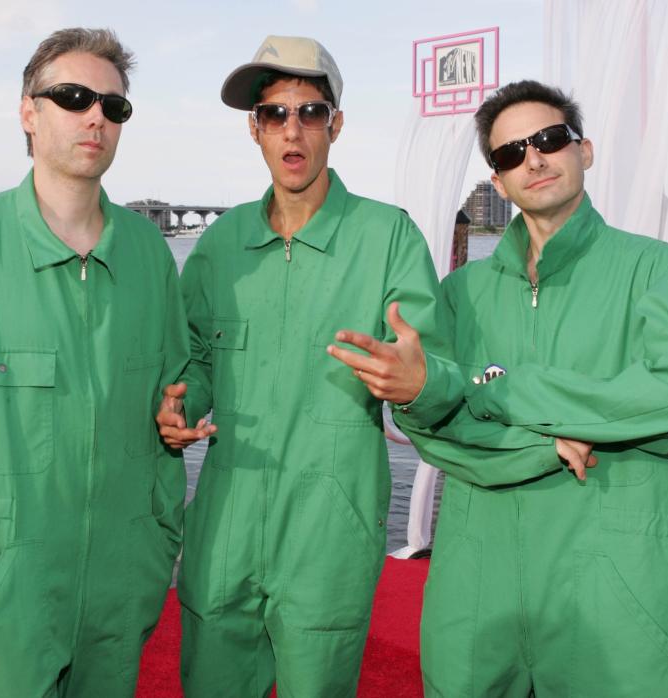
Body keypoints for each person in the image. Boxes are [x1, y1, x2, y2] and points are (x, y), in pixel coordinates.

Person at [328, 79, 668, 696]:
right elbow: (430, 425)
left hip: (611, 590)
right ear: (498, 180)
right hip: (477, 587)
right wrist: (541, 444)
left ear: (583, 150)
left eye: (549, 140)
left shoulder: (657, 269)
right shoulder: (458, 294)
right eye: (510, 153)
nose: (533, 159)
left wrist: (506, 391)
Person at [0, 27, 188, 697]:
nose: (95, 116)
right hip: (2, 604)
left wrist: (155, 550)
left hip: (118, 601)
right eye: (72, 96)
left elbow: (173, 411)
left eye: (114, 105)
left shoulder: (149, 256)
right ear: (28, 111)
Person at [156, 35, 452, 697]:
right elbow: (198, 360)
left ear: (335, 124)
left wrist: (420, 380)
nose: (293, 130)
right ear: (254, 130)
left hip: (329, 533)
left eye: (310, 112)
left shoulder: (388, 238)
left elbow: (435, 370)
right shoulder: (219, 244)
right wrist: (180, 404)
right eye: (274, 114)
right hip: (223, 525)